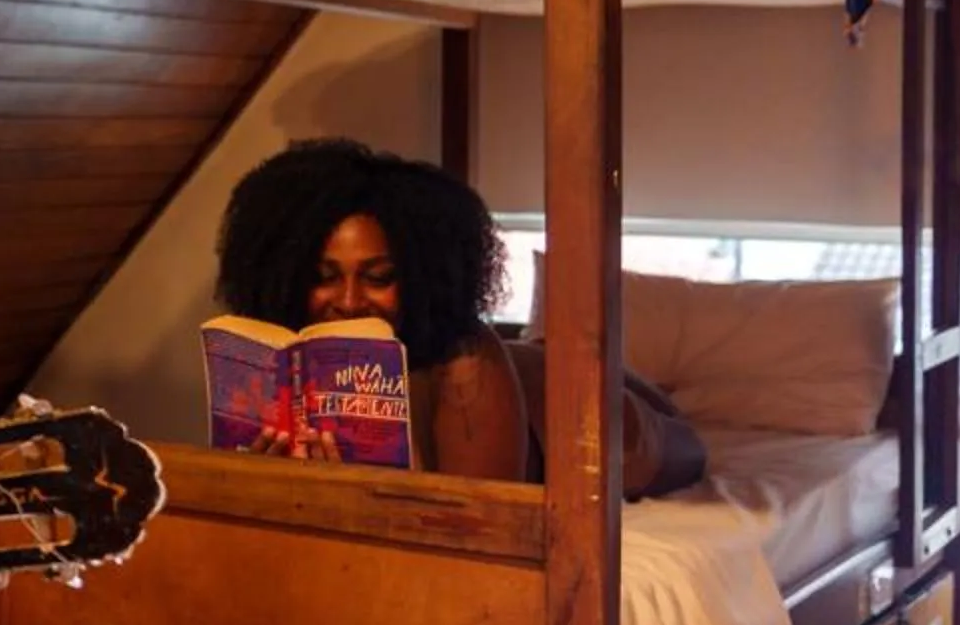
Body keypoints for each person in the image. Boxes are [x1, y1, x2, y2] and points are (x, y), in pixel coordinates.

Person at [214, 138, 706, 498]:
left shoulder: (464, 359)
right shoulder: (289, 353)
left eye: (379, 277)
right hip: (520, 365)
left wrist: (399, 485)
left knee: (679, 443)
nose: (347, 301)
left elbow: (476, 524)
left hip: (556, 402)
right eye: (323, 276)